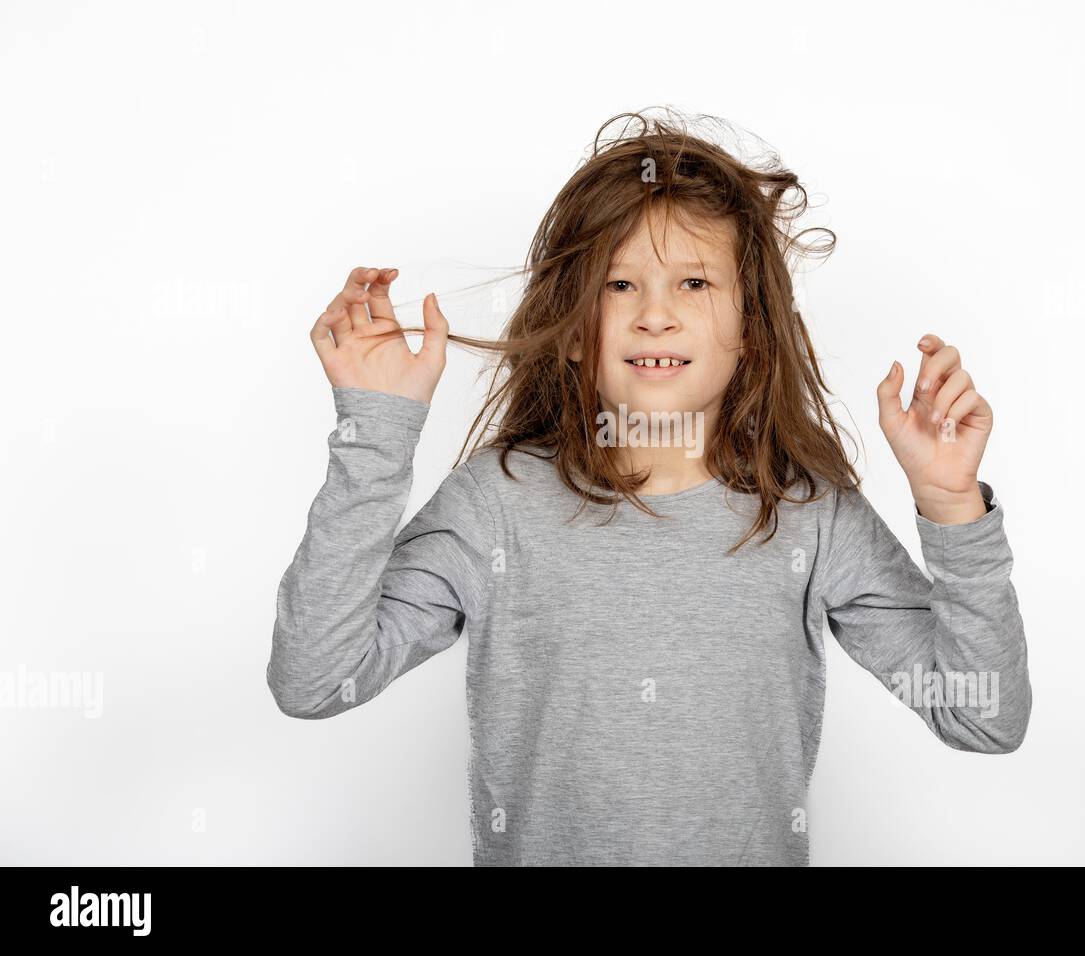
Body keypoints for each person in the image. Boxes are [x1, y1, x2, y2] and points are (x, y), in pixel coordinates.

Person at [266, 110, 1031, 866]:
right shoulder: (494, 504)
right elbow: (313, 679)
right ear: (570, 328)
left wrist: (952, 510)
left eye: (694, 282)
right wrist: (374, 434)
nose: (655, 316)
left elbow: (981, 718)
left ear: (752, 330)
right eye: (620, 284)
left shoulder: (808, 510)